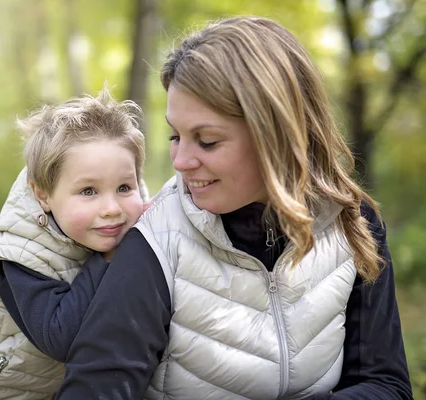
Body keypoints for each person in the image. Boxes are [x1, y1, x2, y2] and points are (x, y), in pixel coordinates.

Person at [43, 16, 411, 399]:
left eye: (206, 141)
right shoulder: (155, 241)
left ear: (276, 135)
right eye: (175, 136)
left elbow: (386, 385)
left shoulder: (355, 224)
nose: (181, 161)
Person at [0, 86, 147, 399]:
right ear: (43, 195)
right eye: (89, 191)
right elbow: (59, 339)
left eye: (124, 187)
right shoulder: (17, 257)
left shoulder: (119, 233)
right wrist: (106, 260)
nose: (112, 208)